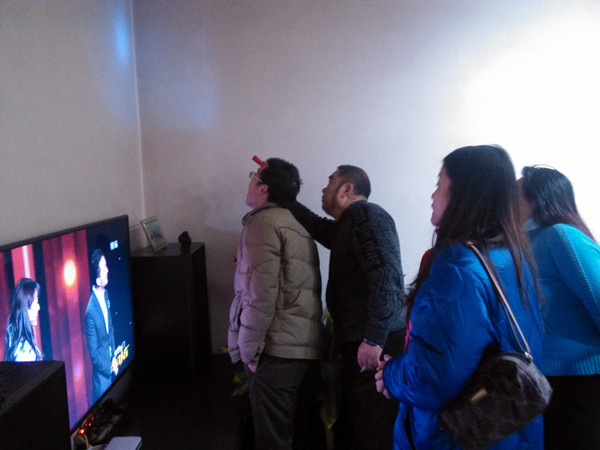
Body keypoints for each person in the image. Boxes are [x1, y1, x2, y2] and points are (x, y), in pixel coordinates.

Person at [376, 145, 544, 449]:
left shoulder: (458, 267)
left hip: (455, 437)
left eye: (439, 184)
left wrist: (390, 374)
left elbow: (434, 378)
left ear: (464, 195)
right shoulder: (512, 257)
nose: (433, 195)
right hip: (506, 431)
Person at [285, 164, 406, 450]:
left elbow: (386, 275)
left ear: (346, 189)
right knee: (361, 422)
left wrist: (373, 338)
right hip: (364, 340)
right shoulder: (349, 224)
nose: (324, 188)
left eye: (330, 182)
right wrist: (285, 196)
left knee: (373, 426)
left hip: (374, 343)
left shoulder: (366, 215)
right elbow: (317, 226)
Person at [228, 157, 324, 450]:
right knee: (295, 435)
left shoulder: (262, 223)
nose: (250, 181)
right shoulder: (293, 224)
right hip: (300, 348)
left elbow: (261, 295)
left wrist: (248, 351)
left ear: (263, 188)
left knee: (273, 441)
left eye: (254, 176)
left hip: (276, 351)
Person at [519, 165, 600, 449]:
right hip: (539, 379)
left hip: (580, 378)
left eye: (515, 194)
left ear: (537, 198)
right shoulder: (521, 244)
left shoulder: (561, 236)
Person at [85, 248, 117, 403]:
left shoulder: (106, 294)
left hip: (114, 365)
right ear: (97, 280)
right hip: (103, 380)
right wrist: (110, 367)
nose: (107, 270)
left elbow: (110, 328)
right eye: (104, 268)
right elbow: (94, 354)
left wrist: (115, 356)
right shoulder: (90, 312)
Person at [4, 278, 42, 362]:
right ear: (26, 307)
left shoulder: (18, 344)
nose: (38, 307)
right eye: (36, 302)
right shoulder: (24, 351)